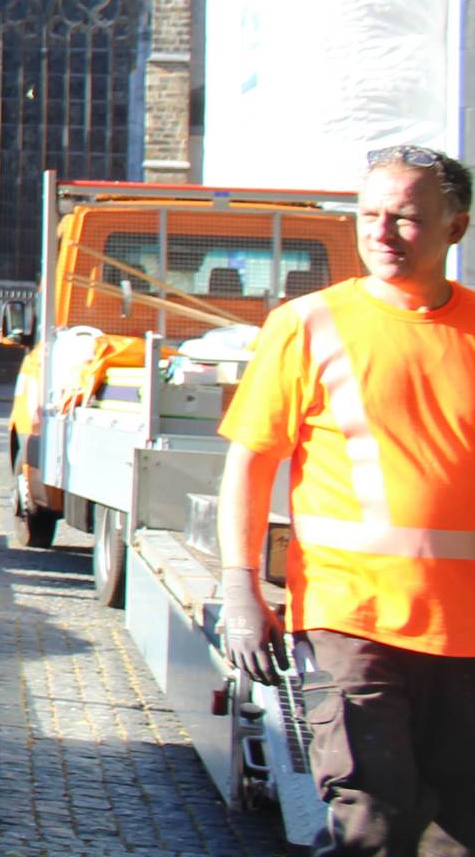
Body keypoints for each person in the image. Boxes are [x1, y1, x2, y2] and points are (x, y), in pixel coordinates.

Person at [217, 145, 475, 857]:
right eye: (370, 216)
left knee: (457, 830)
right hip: (351, 617)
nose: (383, 234)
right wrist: (240, 588)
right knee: (373, 818)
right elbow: (252, 458)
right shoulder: (309, 324)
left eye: (406, 219)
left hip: (466, 628)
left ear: (456, 226)